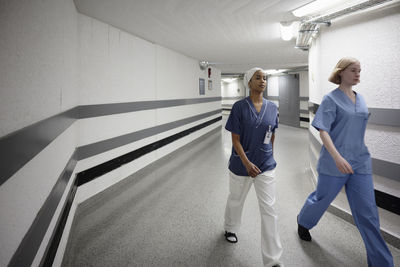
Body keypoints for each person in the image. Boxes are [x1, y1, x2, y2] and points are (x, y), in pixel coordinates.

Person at [297, 57, 394, 267]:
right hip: (334, 162)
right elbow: (323, 131)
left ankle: (382, 263)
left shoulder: (361, 100)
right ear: (341, 72)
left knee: (368, 214)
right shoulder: (330, 99)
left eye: (360, 70)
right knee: (321, 199)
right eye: (353, 70)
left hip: (360, 164)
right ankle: (303, 222)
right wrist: (337, 157)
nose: (358, 74)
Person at [224, 67, 283, 267]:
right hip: (242, 164)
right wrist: (247, 163)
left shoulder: (273, 107)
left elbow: (272, 132)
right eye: (258, 78)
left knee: (269, 209)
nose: (262, 81)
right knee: (236, 199)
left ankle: (273, 260)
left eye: (265, 78)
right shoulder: (239, 107)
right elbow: (235, 139)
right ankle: (230, 227)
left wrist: (270, 155)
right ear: (249, 82)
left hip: (265, 165)